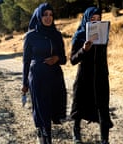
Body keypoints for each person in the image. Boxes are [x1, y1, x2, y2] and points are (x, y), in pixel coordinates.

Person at [21, 2, 67, 144]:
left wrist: (57, 58)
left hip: (55, 77)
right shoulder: (30, 36)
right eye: (45, 15)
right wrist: (24, 83)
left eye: (51, 15)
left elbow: (64, 59)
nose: (48, 18)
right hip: (37, 77)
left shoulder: (57, 35)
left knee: (52, 109)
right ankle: (45, 137)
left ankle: (42, 132)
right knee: (42, 110)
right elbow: (26, 61)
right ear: (39, 16)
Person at [69, 7, 113, 144]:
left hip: (100, 76)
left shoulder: (103, 35)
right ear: (86, 19)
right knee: (79, 104)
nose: (95, 21)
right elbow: (73, 60)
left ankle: (104, 139)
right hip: (84, 77)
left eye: (98, 19)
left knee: (103, 106)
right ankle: (76, 132)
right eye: (92, 19)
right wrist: (83, 49)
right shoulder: (79, 36)